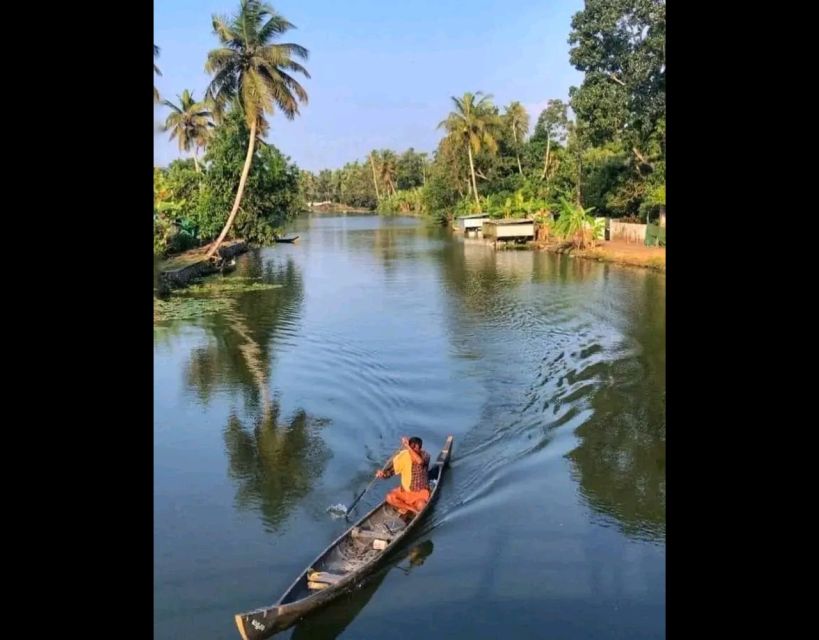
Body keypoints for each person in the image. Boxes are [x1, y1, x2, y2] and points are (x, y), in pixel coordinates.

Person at [376, 436, 431, 516]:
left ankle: (407, 507)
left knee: (421, 506)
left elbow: (420, 462)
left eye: (416, 449)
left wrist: (408, 447)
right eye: (412, 448)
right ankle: (411, 508)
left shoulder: (425, 455)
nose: (414, 451)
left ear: (420, 448)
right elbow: (390, 473)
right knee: (389, 497)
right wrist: (382, 474)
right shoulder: (404, 457)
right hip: (405, 492)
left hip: (420, 493)